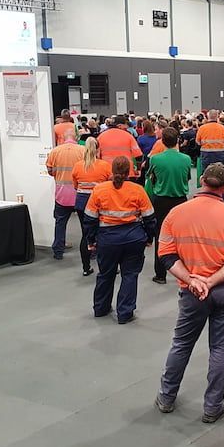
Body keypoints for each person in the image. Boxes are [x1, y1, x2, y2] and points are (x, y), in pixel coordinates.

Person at [155, 163, 224, 423]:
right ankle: (212, 407)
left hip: (191, 292)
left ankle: (166, 397)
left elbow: (165, 255)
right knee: (221, 348)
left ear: (201, 181)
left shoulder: (176, 214)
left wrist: (192, 280)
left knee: (182, 343)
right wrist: (211, 282)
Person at [84, 156, 156, 323]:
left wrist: (91, 240)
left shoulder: (99, 190)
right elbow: (150, 217)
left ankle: (100, 308)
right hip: (133, 238)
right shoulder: (138, 190)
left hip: (107, 239)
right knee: (130, 275)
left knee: (105, 274)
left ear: (112, 171)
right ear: (128, 172)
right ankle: (125, 313)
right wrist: (149, 237)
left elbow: (90, 219)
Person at [145, 128, 191, 284]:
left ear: (162, 141)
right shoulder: (186, 159)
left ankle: (160, 274)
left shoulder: (155, 159)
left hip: (161, 201)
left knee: (161, 236)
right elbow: (187, 178)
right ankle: (184, 273)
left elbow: (151, 177)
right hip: (180, 201)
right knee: (181, 237)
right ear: (177, 141)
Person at [70, 137, 112, 276]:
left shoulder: (77, 166)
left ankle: (86, 268)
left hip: (82, 203)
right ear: (98, 149)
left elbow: (76, 186)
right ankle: (105, 266)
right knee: (102, 234)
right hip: (99, 203)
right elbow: (110, 185)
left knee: (85, 234)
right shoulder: (104, 165)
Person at [45, 128, 85, 262]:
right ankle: (90, 250)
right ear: (76, 138)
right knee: (86, 225)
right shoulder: (83, 150)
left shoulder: (55, 151)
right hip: (80, 193)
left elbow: (50, 170)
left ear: (62, 138)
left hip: (62, 195)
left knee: (60, 223)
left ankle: (58, 251)